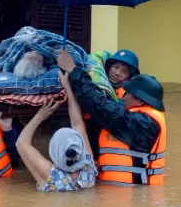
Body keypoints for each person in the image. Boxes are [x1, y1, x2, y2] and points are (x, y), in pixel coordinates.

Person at [58, 49, 166, 186]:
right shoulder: (138, 115)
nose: (123, 97)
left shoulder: (144, 124)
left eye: (127, 94)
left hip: (133, 197)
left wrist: (74, 70)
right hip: (117, 193)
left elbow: (101, 106)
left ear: (139, 101)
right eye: (115, 67)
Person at [16, 71, 98, 192]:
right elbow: (77, 123)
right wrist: (68, 87)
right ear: (80, 147)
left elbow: (21, 143)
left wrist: (40, 115)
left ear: (53, 153)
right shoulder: (89, 166)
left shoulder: (50, 175)